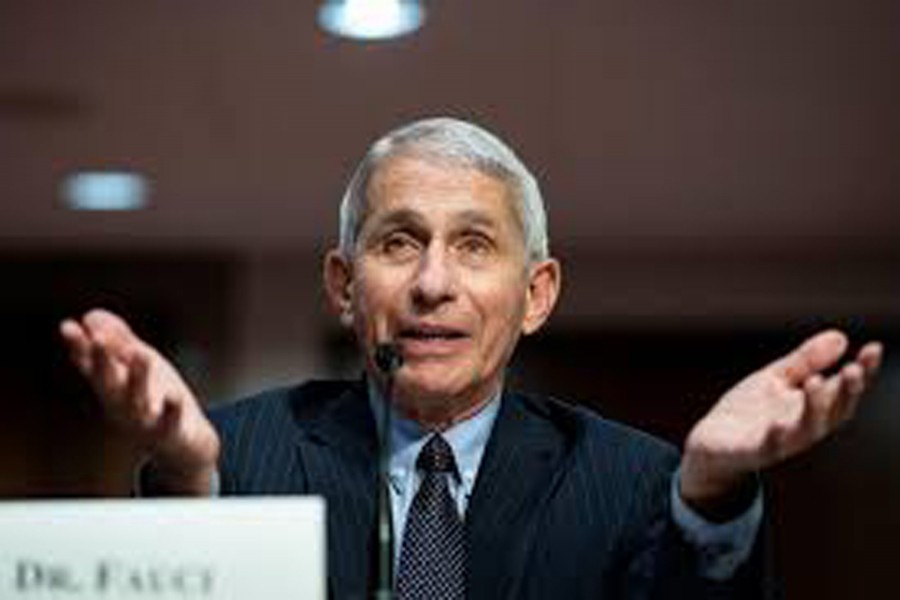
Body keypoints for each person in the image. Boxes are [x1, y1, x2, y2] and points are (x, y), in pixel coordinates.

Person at [60, 118, 883, 599]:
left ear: (537, 293)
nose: (431, 283)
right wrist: (187, 488)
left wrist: (709, 496)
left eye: (474, 245)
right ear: (344, 285)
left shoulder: (633, 483)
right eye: (399, 242)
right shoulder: (238, 453)